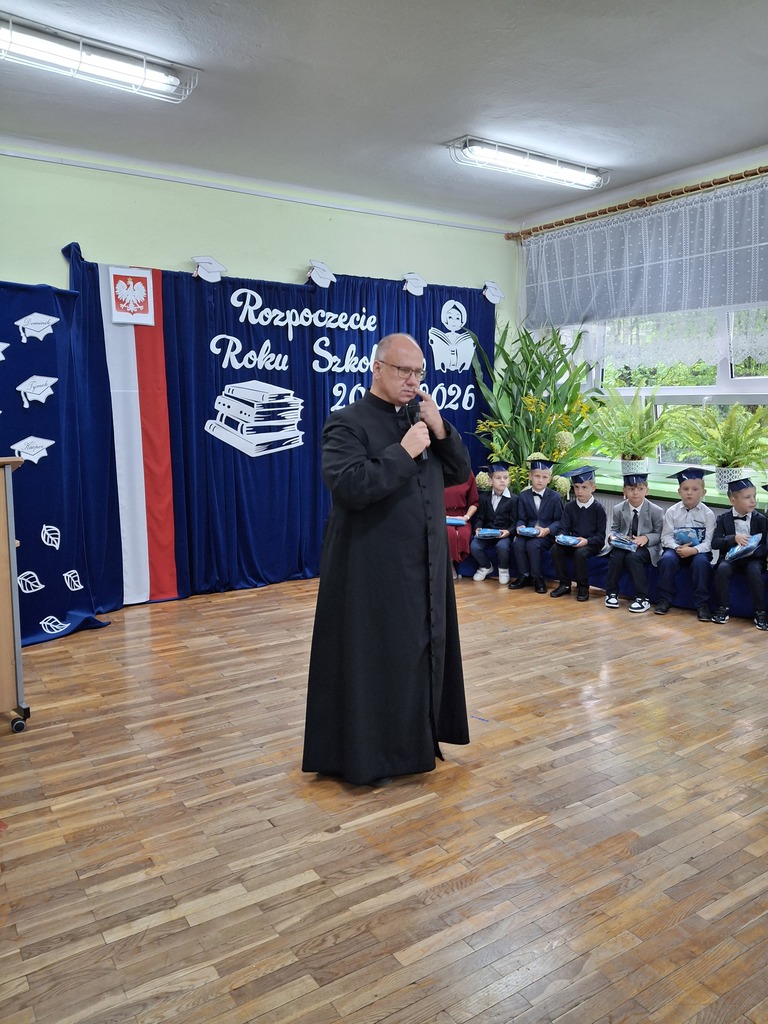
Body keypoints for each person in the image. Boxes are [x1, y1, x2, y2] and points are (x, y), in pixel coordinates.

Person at [302, 333, 471, 786]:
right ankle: (372, 756)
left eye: (419, 373)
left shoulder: (421, 419)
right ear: (377, 368)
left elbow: (459, 474)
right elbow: (350, 486)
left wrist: (440, 430)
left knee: (419, 657)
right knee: (376, 661)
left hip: (425, 567)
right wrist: (404, 451)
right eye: (403, 371)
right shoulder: (346, 423)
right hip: (372, 570)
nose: (412, 381)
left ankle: (416, 745)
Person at [656, 467, 716, 620]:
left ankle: (702, 604)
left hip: (699, 551)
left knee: (701, 563)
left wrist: (694, 550)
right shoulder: (672, 511)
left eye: (695, 489)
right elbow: (666, 537)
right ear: (679, 491)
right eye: (685, 489)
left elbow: (709, 542)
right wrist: (677, 547)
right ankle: (664, 599)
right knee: (666, 560)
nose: (689, 493)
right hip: (675, 550)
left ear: (703, 492)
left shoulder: (708, 514)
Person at [710, 477, 768, 630]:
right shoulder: (723, 519)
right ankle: (722, 608)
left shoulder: (761, 520)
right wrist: (733, 539)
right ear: (732, 500)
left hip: (753, 559)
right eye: (747, 497)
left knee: (754, 571)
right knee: (722, 569)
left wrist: (753, 551)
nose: (753, 501)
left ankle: (760, 612)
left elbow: (765, 547)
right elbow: (715, 543)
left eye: (754, 496)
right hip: (730, 558)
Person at [604, 472, 664, 613]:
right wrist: (613, 537)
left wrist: (646, 538)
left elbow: (660, 534)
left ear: (647, 490)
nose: (635, 493)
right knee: (617, 556)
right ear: (624, 491)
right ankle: (611, 593)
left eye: (640, 489)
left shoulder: (656, 511)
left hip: (646, 547)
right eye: (631, 489)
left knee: (633, 557)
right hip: (624, 545)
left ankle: (642, 598)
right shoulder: (618, 509)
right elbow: (614, 529)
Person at [549, 466, 607, 601]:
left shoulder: (598, 509)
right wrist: (562, 538)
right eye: (576, 487)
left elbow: (600, 537)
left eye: (584, 487)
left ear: (593, 488)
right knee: (556, 548)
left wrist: (586, 541)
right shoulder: (570, 507)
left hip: (591, 543)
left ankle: (583, 587)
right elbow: (564, 528)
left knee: (580, 553)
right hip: (573, 541)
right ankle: (564, 584)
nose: (580, 491)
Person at [509, 457, 563, 594]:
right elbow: (521, 518)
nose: (540, 480)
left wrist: (547, 530)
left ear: (549, 479)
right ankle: (524, 575)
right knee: (518, 543)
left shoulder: (555, 497)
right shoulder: (523, 496)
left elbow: (559, 521)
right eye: (537, 476)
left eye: (544, 477)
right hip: (528, 532)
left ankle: (537, 577)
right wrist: (520, 526)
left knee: (533, 545)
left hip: (546, 534)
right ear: (530, 476)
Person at [469, 463, 518, 585]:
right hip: (487, 532)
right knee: (474, 546)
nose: (502, 480)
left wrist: (508, 532)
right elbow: (480, 517)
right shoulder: (483, 498)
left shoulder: (514, 499)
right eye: (498, 478)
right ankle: (485, 566)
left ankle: (503, 569)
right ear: (490, 481)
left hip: (503, 534)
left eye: (505, 478)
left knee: (502, 547)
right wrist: (477, 528)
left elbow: (515, 522)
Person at [444, 471, 479, 578]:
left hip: (461, 515)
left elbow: (474, 503)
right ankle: (449, 566)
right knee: (449, 533)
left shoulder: (467, 473)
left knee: (463, 535)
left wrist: (466, 517)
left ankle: (457, 564)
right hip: (441, 515)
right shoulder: (437, 471)